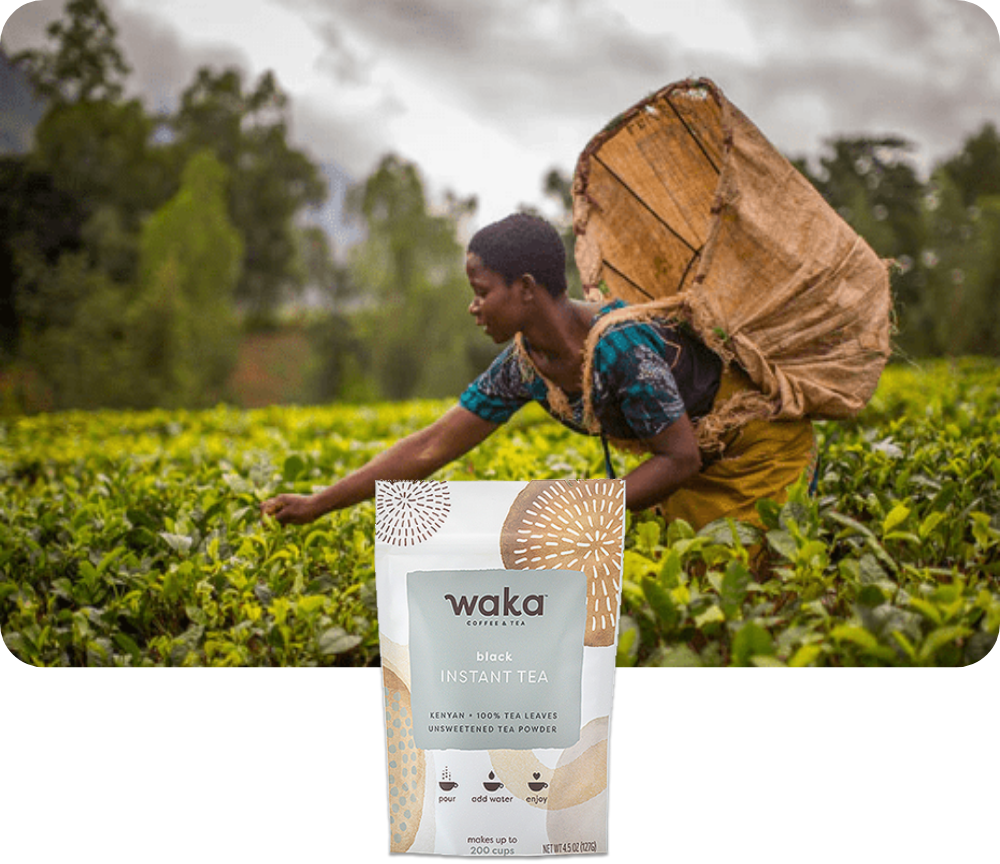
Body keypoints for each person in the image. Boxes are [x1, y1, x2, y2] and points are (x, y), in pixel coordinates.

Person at [260, 213, 816, 529]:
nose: (474, 307)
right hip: (692, 470)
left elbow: (679, 456)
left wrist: (578, 511)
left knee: (736, 597)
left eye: (482, 293)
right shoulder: (525, 367)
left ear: (525, 288)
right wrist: (319, 503)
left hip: (754, 452)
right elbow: (431, 448)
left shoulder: (622, 349)